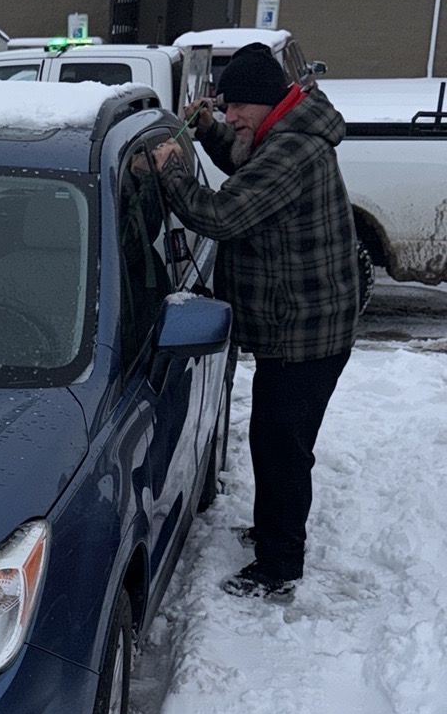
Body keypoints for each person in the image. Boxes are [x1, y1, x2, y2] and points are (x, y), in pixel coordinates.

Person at [149, 42, 361, 601]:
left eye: (235, 109)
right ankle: (274, 533)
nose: (229, 117)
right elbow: (245, 161)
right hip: (300, 326)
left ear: (267, 102)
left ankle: (279, 566)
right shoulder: (281, 133)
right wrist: (215, 133)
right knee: (276, 440)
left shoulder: (293, 151)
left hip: (307, 335)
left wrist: (171, 171)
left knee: (281, 447)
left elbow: (220, 215)